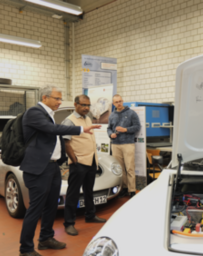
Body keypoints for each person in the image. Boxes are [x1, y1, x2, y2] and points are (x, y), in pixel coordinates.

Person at [19, 86, 101, 256]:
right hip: (38, 168)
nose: (59, 102)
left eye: (60, 99)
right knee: (36, 208)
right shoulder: (34, 112)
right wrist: (80, 129)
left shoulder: (49, 114)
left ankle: (46, 239)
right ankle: (25, 249)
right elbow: (52, 130)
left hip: (52, 166)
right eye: (56, 99)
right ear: (45, 97)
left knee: (51, 205)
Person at [62, 95, 106, 236]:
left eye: (88, 105)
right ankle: (69, 223)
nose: (86, 108)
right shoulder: (69, 121)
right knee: (73, 194)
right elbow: (66, 143)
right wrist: (74, 160)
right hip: (79, 163)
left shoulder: (88, 118)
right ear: (76, 104)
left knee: (89, 191)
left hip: (91, 161)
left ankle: (90, 215)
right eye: (83, 105)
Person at [107, 94, 141, 198]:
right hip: (115, 144)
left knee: (130, 167)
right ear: (113, 104)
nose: (119, 103)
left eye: (120, 101)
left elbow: (137, 126)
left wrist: (125, 129)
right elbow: (109, 128)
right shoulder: (112, 115)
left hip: (128, 144)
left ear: (123, 101)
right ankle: (124, 188)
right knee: (120, 169)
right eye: (116, 102)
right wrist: (110, 134)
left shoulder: (131, 113)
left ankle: (132, 190)